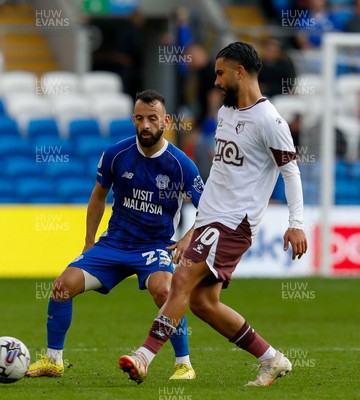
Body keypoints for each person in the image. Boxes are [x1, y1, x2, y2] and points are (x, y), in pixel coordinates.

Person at [119, 42, 308, 387]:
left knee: (182, 280)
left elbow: (291, 172)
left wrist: (296, 224)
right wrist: (195, 227)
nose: (216, 80)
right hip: (213, 220)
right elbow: (219, 179)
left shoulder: (270, 120)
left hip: (236, 223)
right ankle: (272, 359)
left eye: (221, 73)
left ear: (240, 72)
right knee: (204, 303)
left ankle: (143, 356)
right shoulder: (225, 113)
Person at [26, 90, 205, 380]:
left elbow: (208, 209)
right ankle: (53, 360)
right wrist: (88, 242)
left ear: (166, 121)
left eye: (152, 118)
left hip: (154, 247)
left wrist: (187, 239)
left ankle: (183, 364)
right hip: (114, 244)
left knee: (165, 291)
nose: (145, 125)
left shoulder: (181, 164)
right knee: (62, 286)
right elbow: (98, 196)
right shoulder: (116, 155)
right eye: (139, 118)